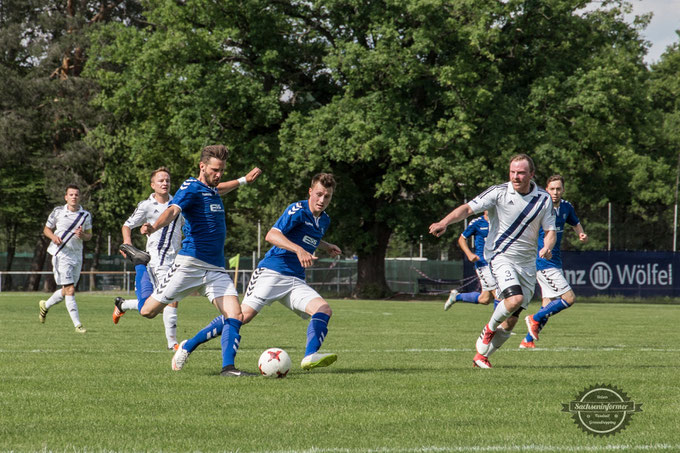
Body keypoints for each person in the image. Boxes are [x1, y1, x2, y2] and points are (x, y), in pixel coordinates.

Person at [171, 173, 342, 372]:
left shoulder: (324, 220)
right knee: (241, 317)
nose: (322, 200)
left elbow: (308, 236)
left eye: (327, 196)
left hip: (295, 279)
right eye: (319, 194)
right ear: (310, 191)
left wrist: (326, 246)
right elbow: (272, 235)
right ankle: (188, 346)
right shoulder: (297, 210)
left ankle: (309, 356)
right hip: (272, 273)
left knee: (323, 310)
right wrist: (298, 250)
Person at [139, 145, 262, 377]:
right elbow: (173, 210)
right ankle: (139, 266)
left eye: (222, 170)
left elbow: (222, 188)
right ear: (202, 166)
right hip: (190, 264)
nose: (219, 175)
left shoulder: (212, 189)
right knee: (148, 311)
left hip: (215, 267)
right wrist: (154, 226)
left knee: (236, 316)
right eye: (215, 170)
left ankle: (227, 368)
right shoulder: (190, 186)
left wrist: (243, 180)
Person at [429, 154, 556, 368]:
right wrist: (444, 222)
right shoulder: (498, 192)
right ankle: (488, 329)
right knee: (513, 300)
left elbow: (550, 230)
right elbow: (468, 208)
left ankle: (481, 356)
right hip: (500, 257)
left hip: (527, 264)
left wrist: (547, 246)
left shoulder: (543, 200)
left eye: (521, 173)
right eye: (513, 172)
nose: (516, 177)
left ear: (532, 174)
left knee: (510, 323)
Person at [112, 167, 184, 350]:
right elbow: (127, 225)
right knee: (170, 297)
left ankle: (123, 304)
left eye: (167, 180)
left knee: (155, 303)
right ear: (152, 185)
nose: (165, 183)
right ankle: (172, 344)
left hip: (176, 257)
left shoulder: (179, 202)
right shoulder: (146, 205)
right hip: (156, 257)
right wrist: (127, 244)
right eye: (160, 180)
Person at [520, 175, 588, 348]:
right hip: (542, 261)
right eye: (552, 189)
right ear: (546, 189)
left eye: (558, 189)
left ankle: (527, 341)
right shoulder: (540, 207)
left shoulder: (566, 207)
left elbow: (575, 223)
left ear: (563, 190)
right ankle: (533, 319)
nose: (555, 192)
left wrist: (580, 233)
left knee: (548, 306)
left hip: (555, 261)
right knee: (569, 298)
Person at [38, 184, 93, 333]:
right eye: (71, 194)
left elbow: (89, 235)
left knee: (66, 290)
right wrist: (53, 237)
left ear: (80, 197)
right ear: (66, 197)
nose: (74, 197)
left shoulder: (85, 215)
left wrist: (83, 236)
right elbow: (46, 229)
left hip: (77, 255)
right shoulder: (58, 212)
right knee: (70, 289)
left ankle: (45, 306)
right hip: (61, 255)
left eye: (76, 194)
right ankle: (78, 325)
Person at [444, 211, 500, 311]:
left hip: (497, 262)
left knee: (485, 299)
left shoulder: (500, 221)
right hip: (482, 263)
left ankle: (456, 297)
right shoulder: (477, 222)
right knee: (499, 295)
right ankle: (498, 325)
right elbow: (462, 239)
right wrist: (469, 254)